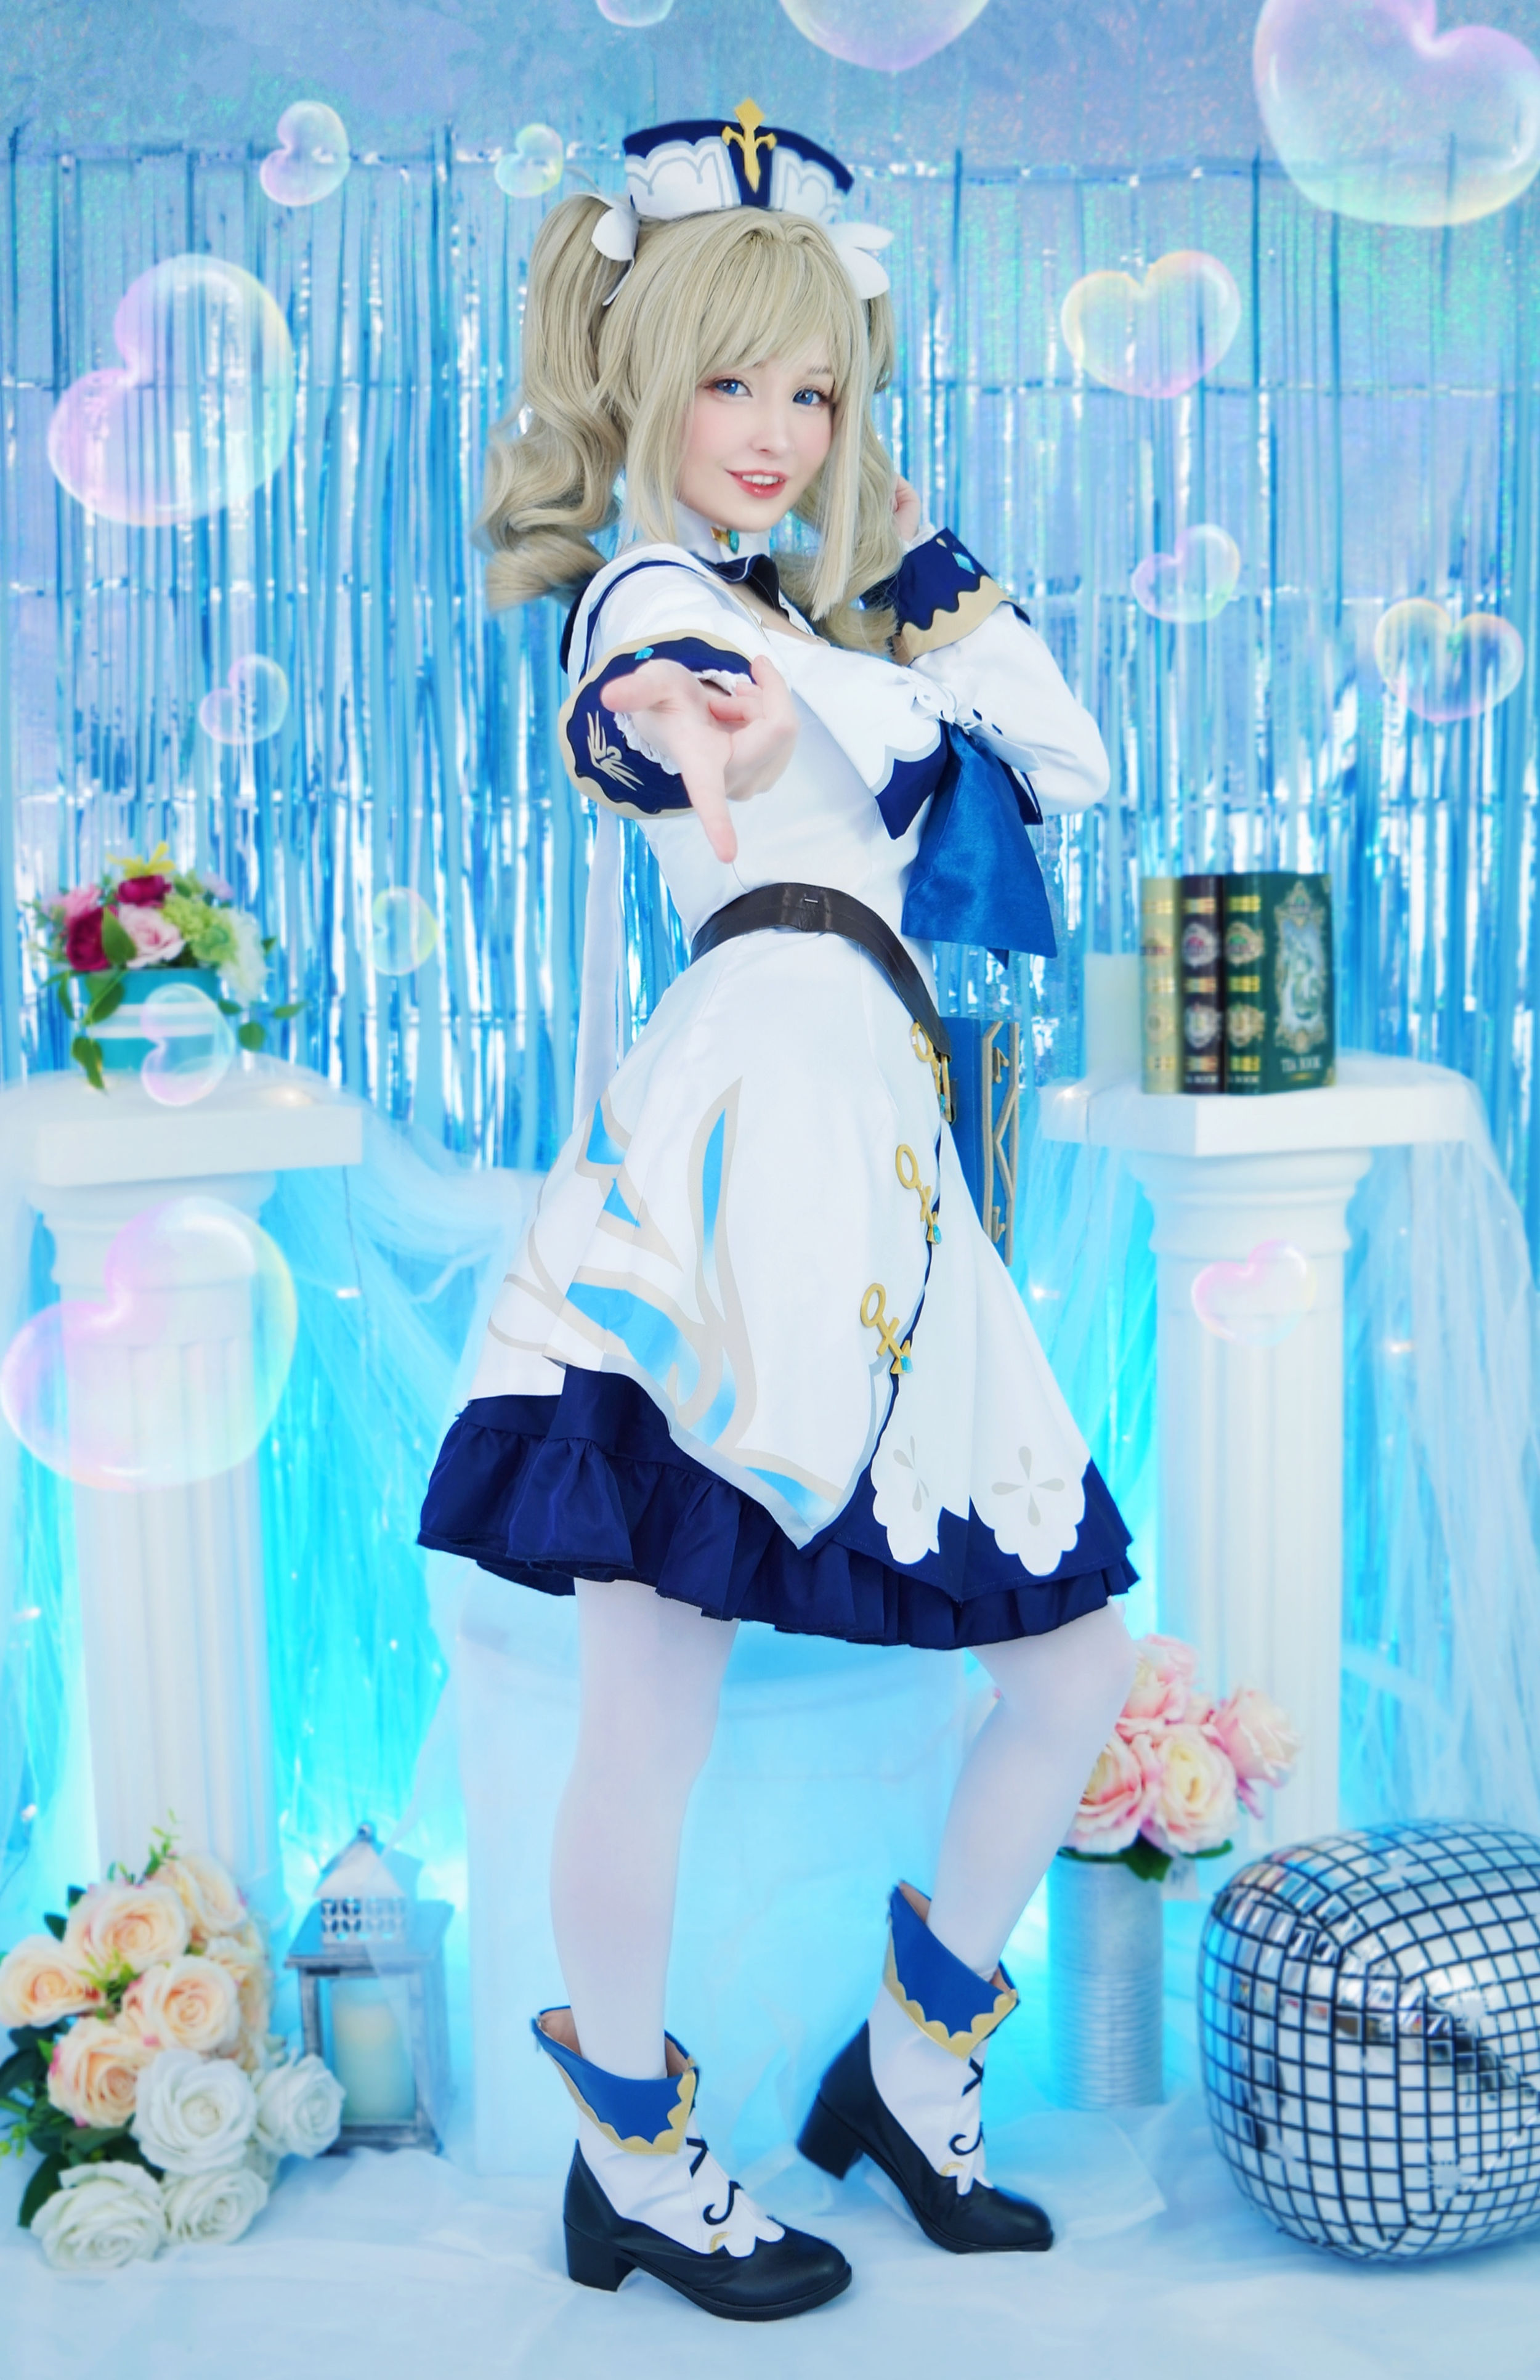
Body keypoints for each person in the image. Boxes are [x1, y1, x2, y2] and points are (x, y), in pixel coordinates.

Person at [419, 102, 1137, 2323]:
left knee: (1074, 1660)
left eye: (814, 391)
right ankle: (629, 2154)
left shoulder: (809, 608)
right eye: (730, 379)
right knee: (653, 1693)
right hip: (748, 1142)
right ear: (645, 375)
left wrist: (904, 561)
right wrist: (724, 711)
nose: (773, 432)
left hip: (887, 1167)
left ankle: (910, 2072)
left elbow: (1065, 760)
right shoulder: (653, 597)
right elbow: (659, 713)